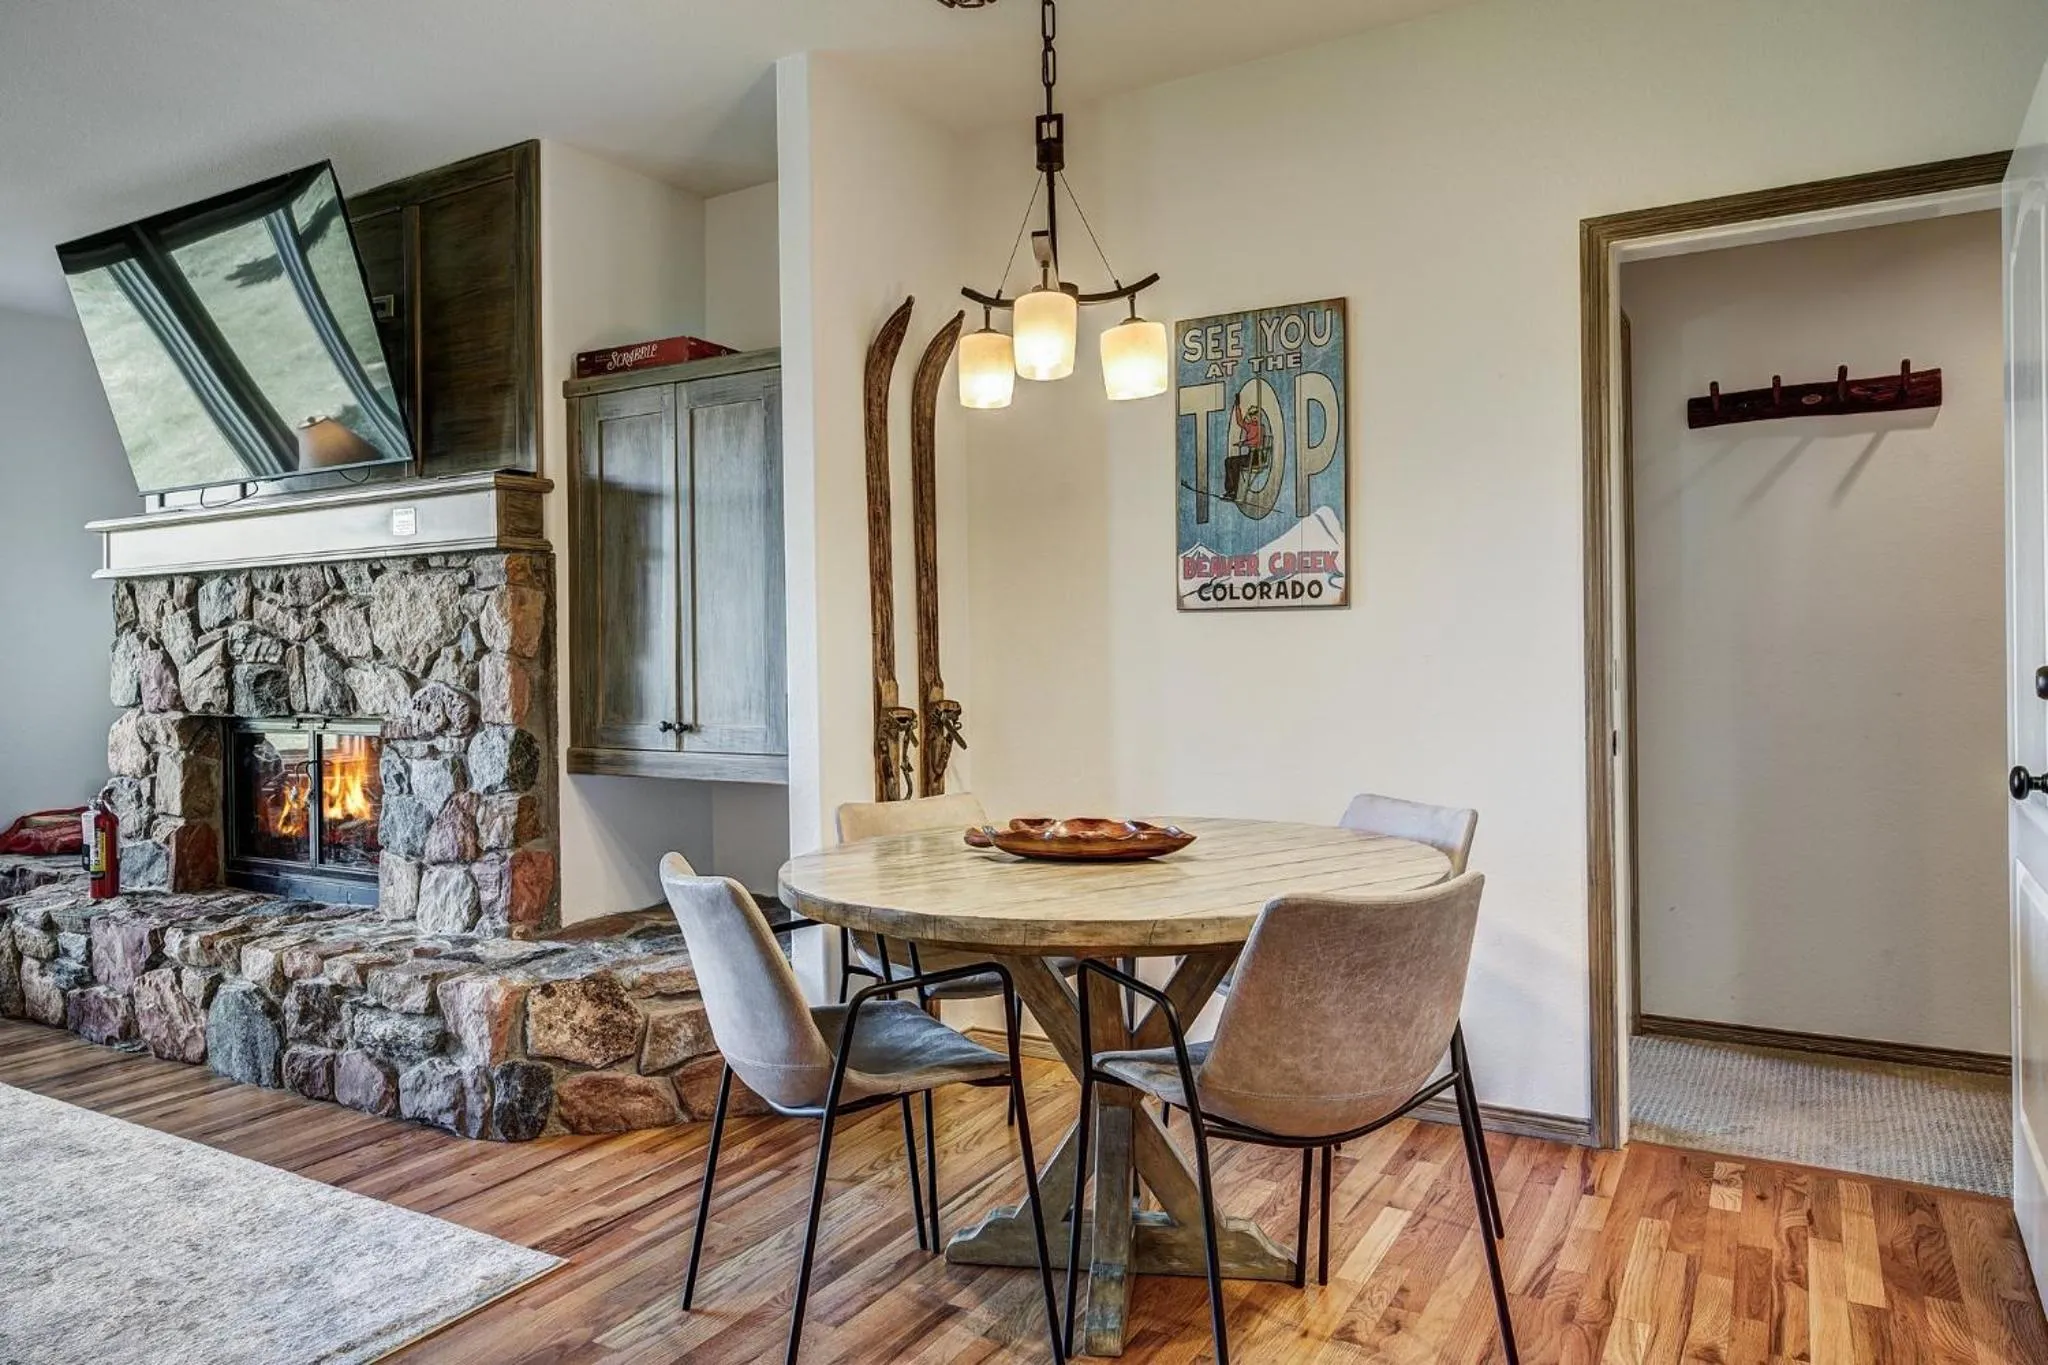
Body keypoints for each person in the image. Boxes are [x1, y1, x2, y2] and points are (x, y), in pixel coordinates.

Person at [1225, 392, 1272, 501]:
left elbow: (1257, 440)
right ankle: (1230, 489)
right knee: (1228, 461)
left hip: (1257, 456)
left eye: (1257, 416)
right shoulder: (1250, 427)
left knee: (1236, 463)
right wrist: (1237, 407)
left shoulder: (1261, 427)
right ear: (1251, 417)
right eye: (1253, 417)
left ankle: (1234, 492)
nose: (1255, 418)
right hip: (1250, 455)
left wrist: (1244, 443)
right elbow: (1240, 422)